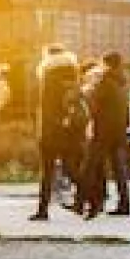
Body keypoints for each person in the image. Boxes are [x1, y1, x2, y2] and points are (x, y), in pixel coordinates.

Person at [30, 43, 83, 221]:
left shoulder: (48, 76)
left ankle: (42, 210)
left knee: (47, 172)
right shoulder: (74, 74)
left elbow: (46, 107)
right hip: (69, 131)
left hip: (50, 131)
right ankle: (92, 195)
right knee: (70, 168)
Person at [83, 52, 130, 218]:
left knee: (90, 166)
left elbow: (93, 103)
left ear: (107, 64)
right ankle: (124, 204)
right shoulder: (122, 81)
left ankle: (84, 202)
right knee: (119, 169)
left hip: (103, 130)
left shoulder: (104, 81)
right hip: (118, 131)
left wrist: (88, 92)